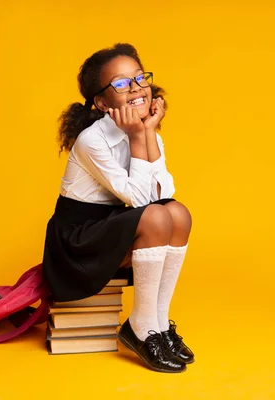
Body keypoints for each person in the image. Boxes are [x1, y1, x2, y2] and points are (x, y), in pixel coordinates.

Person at [42, 43, 194, 373]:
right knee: (155, 216)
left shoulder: (147, 130)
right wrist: (140, 137)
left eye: (140, 78)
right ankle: (140, 329)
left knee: (178, 213)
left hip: (112, 227)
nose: (136, 88)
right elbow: (143, 202)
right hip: (77, 245)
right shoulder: (91, 141)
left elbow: (165, 194)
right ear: (101, 102)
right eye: (122, 84)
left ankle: (159, 324)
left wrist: (147, 133)